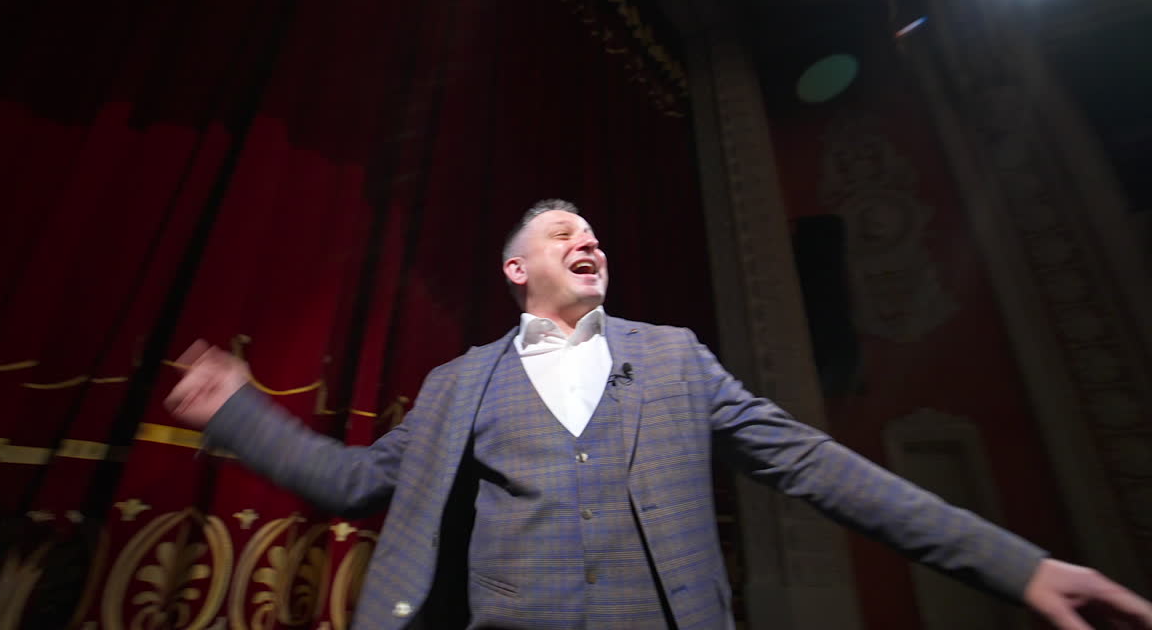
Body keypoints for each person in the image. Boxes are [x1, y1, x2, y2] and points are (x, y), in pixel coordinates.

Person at [167, 199, 1152, 630]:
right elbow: (353, 482)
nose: (587, 240)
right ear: (515, 268)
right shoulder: (457, 383)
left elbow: (821, 467)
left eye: (593, 233)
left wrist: (1016, 567)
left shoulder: (678, 359)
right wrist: (241, 412)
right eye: (564, 233)